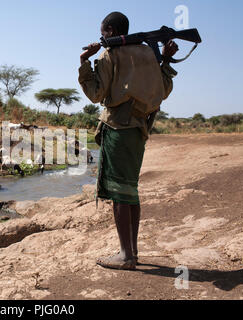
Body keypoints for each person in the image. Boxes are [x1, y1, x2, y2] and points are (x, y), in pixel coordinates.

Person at [78, 12, 178, 270]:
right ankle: (131, 251)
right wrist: (165, 61)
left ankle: (125, 256)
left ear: (110, 30)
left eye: (103, 33)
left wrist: (84, 63)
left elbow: (95, 94)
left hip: (117, 128)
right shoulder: (149, 54)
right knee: (130, 190)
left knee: (120, 192)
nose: (101, 37)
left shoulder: (110, 55)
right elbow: (163, 91)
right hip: (139, 130)